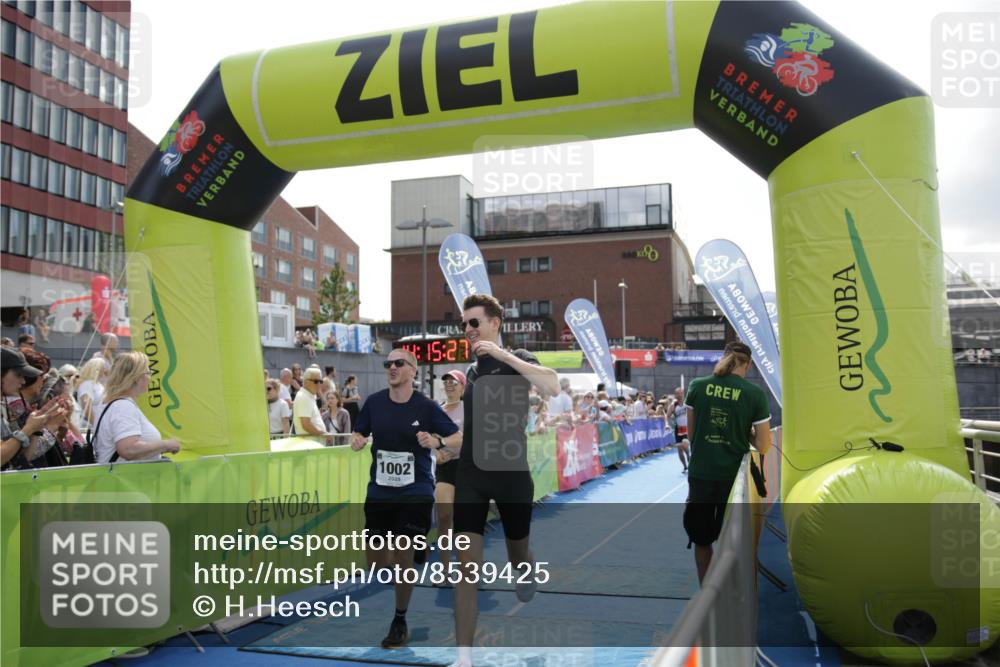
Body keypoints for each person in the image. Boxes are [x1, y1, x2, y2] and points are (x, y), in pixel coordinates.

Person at [450, 295, 560, 667]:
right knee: (466, 569)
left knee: (516, 557)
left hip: (511, 474)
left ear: (495, 322)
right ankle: (463, 656)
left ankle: (524, 565)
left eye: (474, 323)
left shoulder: (519, 359)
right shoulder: (472, 373)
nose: (468, 330)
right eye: (464, 324)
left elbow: (553, 387)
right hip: (471, 475)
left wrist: (503, 356)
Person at [350, 349, 460, 649]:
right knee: (376, 563)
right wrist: (357, 440)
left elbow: (458, 436)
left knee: (402, 554)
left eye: (399, 363)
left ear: (413, 370)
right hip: (381, 490)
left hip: (416, 491)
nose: (392, 367)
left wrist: (436, 440)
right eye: (388, 364)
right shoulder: (374, 403)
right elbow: (358, 433)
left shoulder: (425, 407)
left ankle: (399, 620)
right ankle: (417, 546)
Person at [683, 341, 771, 584]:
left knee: (702, 539)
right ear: (748, 364)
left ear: (723, 357)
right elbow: (763, 446)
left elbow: (691, 435)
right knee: (733, 541)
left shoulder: (697, 386)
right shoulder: (754, 394)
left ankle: (708, 594)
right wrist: (744, 432)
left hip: (701, 475)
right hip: (734, 479)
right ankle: (733, 594)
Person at [92, 352, 181, 464]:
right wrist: (166, 445)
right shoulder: (123, 406)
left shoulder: (110, 403)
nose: (150, 378)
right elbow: (128, 449)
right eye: (148, 372)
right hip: (124, 480)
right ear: (136, 378)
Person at [1, 347, 66, 469]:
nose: (23, 381)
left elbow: (23, 458)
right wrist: (29, 429)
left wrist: (37, 428)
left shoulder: (5, 408)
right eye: (19, 374)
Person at [435, 369, 466, 570]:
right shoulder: (437, 410)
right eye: (446, 381)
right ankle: (445, 569)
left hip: (466, 467)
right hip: (444, 468)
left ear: (463, 387)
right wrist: (435, 455)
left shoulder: (469, 408)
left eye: (454, 382)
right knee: (444, 517)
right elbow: (428, 438)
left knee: (465, 521)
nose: (449, 385)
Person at [293, 366, 330, 444]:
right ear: (306, 382)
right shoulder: (304, 397)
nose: (319, 384)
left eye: (321, 381)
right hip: (309, 445)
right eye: (316, 381)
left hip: (312, 444)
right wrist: (323, 434)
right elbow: (306, 424)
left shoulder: (308, 396)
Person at [76, 357, 107, 428]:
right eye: (103, 367)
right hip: (90, 427)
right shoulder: (87, 384)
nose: (105, 370)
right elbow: (87, 408)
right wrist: (96, 425)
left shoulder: (99, 385)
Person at [667, 387, 691, 473]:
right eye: (677, 393)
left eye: (680, 393)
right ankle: (685, 466)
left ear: (683, 393)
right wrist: (668, 424)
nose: (679, 395)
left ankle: (689, 457)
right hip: (679, 429)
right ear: (675, 395)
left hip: (687, 427)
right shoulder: (673, 405)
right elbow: (668, 416)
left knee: (685, 445)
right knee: (679, 449)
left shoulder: (688, 402)